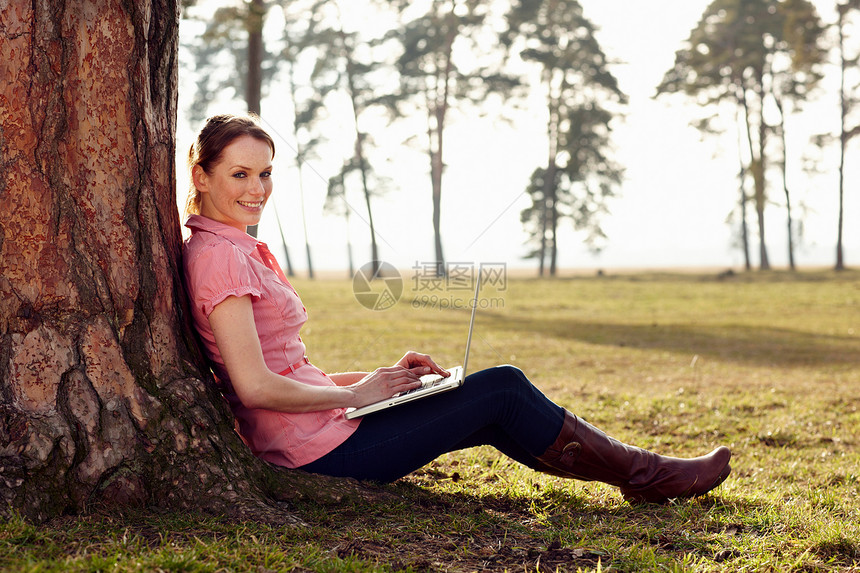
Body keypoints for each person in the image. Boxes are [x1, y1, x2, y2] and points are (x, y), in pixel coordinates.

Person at [182, 113, 732, 504]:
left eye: (266, 172)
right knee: (502, 389)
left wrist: (384, 381)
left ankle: (645, 478)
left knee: (493, 403)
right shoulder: (221, 259)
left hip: (325, 427)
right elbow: (254, 388)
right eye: (240, 174)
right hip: (317, 453)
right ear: (201, 177)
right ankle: (648, 474)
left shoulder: (235, 249)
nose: (258, 189)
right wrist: (353, 395)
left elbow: (287, 370)